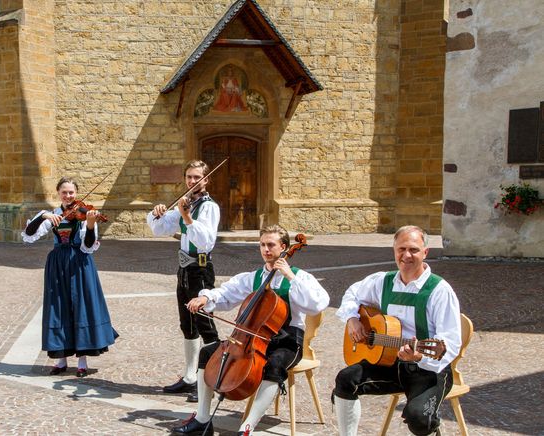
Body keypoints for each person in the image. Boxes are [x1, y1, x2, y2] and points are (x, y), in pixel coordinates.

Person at [173, 225, 329, 435]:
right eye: (262, 245)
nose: (266, 249)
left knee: (275, 364)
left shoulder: (300, 277)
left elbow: (317, 303)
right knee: (208, 352)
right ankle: (202, 418)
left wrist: (290, 276)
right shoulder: (254, 277)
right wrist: (206, 297)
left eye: (271, 245)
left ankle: (247, 428)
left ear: (283, 247)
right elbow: (228, 292)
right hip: (252, 339)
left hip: (288, 341)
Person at [333, 225, 462, 436]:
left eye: (413, 250)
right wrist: (352, 319)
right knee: (346, 379)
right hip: (389, 363)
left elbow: (451, 342)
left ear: (425, 252)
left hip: (429, 369)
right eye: (401, 249)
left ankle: (431, 424)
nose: (406, 255)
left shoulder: (439, 290)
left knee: (419, 419)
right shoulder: (382, 281)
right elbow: (352, 294)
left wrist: (419, 355)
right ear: (394, 250)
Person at [22, 177, 118, 377]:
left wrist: (90, 225)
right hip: (57, 263)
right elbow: (29, 234)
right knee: (59, 307)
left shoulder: (84, 214)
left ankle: (82, 361)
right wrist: (44, 216)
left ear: (77, 193)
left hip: (79, 262)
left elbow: (89, 246)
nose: (68, 196)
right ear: (58, 193)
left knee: (81, 306)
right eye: (64, 192)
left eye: (71, 192)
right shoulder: (54, 214)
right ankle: (61, 359)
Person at [147, 160, 220, 402]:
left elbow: (206, 241)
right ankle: (190, 377)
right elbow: (160, 229)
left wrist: (187, 218)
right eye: (188, 177)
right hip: (184, 270)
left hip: (200, 269)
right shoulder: (185, 204)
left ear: (206, 180)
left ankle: (211, 380)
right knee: (187, 325)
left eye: (196, 177)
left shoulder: (209, 207)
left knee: (205, 326)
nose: (191, 181)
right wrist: (157, 213)